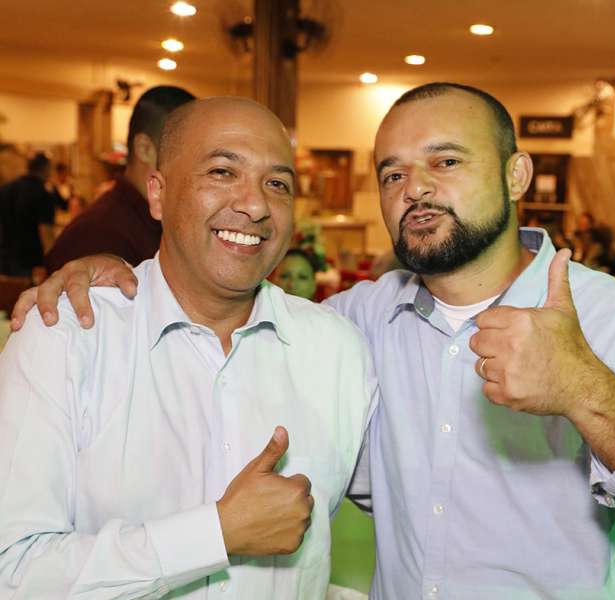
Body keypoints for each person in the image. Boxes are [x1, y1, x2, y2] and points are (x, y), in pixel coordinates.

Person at [12, 83, 615, 599]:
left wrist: (590, 393)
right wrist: (108, 268)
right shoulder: (352, 328)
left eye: (446, 161)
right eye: (393, 172)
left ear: (516, 171)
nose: (416, 187)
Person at [0, 97, 375, 598]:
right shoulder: (67, 337)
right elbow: (13, 569)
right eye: (222, 172)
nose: (256, 204)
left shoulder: (337, 350)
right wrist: (215, 534)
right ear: (157, 193)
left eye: (277, 184)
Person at [44, 85, 195, 273]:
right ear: (145, 149)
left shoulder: (154, 223)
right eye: (189, 151)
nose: (198, 165)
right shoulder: (98, 237)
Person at [0, 152, 66, 279]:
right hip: (30, 260)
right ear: (46, 168)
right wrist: (52, 264)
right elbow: (46, 232)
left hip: (5, 255)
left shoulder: (6, 188)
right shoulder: (43, 192)